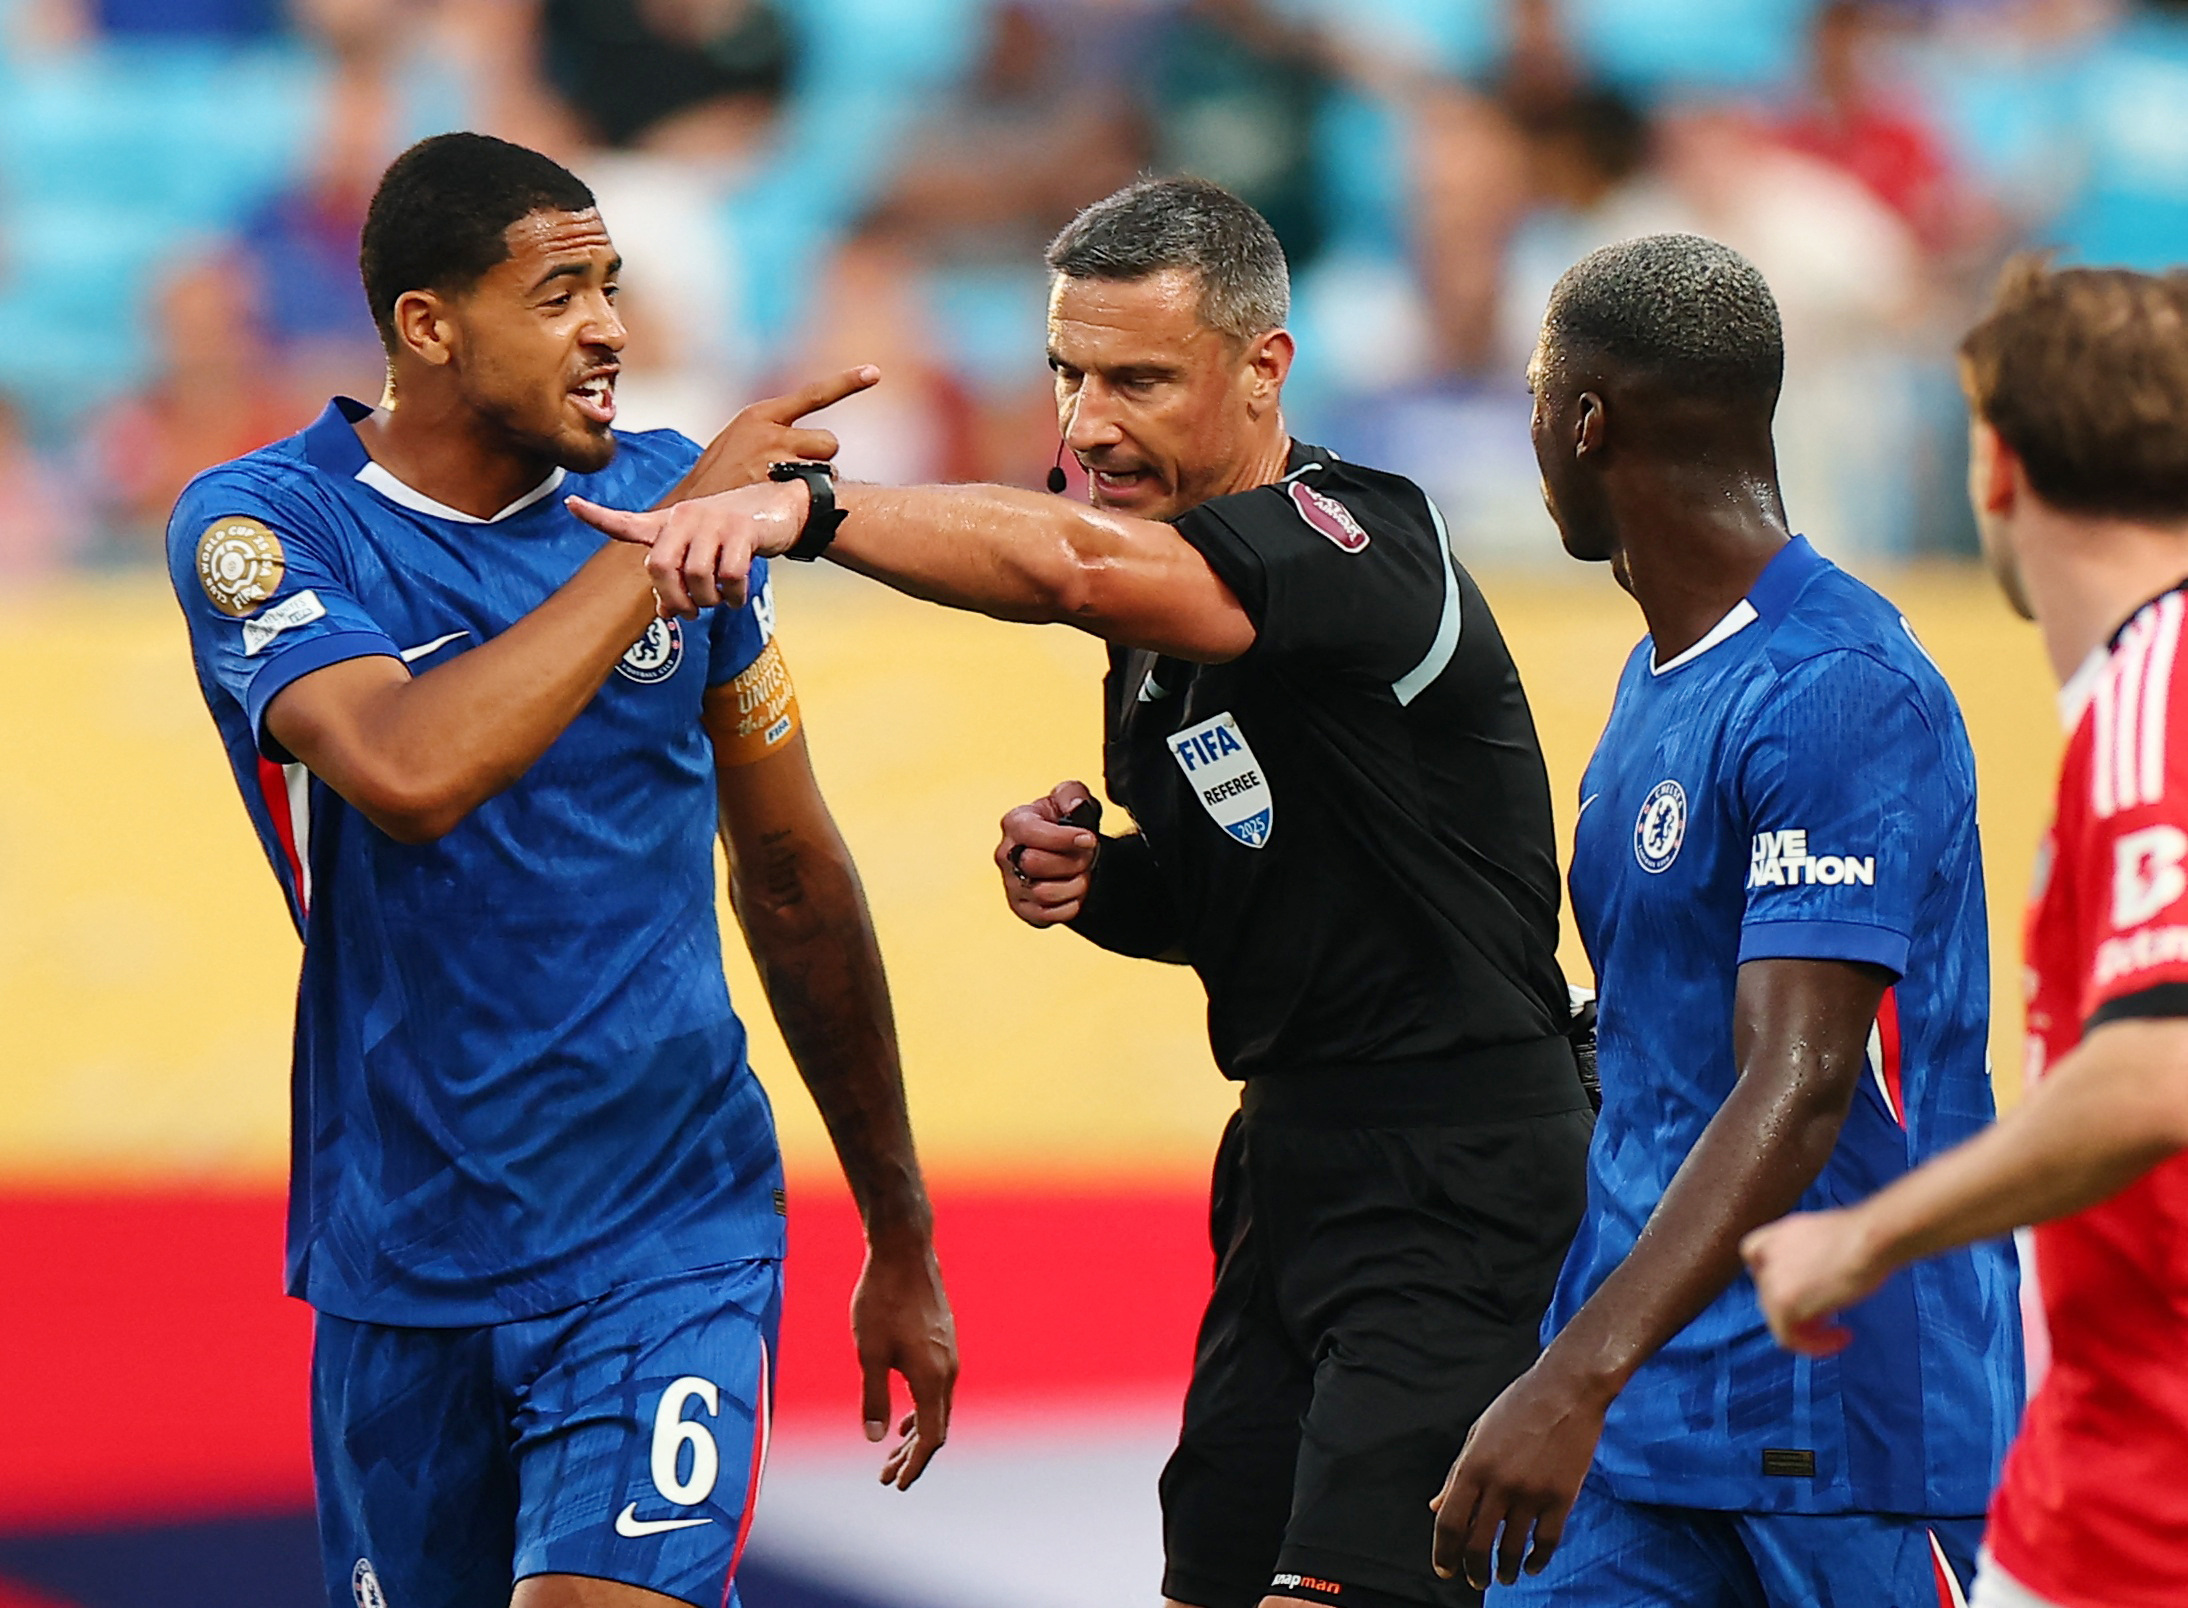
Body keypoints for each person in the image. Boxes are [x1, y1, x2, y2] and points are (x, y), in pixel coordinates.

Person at [572, 176, 1595, 1608]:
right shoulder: (1158, 616)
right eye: (1068, 371)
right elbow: (1256, 878)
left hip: (1464, 1164)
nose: (1088, 421)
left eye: (1139, 379)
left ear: (1265, 368)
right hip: (1288, 1163)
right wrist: (1110, 883)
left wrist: (805, 508)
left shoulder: (1355, 541)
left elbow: (1065, 566)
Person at [163, 132, 955, 1608]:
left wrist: (897, 1226)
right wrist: (656, 547)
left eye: (613, 287)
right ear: (428, 325)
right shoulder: (268, 526)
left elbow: (789, 873)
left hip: (671, 1231)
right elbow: (405, 770)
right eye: (559, 293)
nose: (609, 329)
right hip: (406, 1254)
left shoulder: (685, 511)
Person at [1427, 233, 2022, 1605]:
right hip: (1644, 1408)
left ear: (1586, 420)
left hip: (1840, 1411)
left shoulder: (1838, 685)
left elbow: (1803, 1077)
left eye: (1532, 402)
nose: (1528, 438)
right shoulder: (1658, 685)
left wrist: (1566, 1381)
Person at [1743, 261, 2188, 1608]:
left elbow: (2157, 1072)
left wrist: (1866, 1238)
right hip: (2102, 1465)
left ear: (1993, 465)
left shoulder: (2158, 694)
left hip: (2151, 1505)